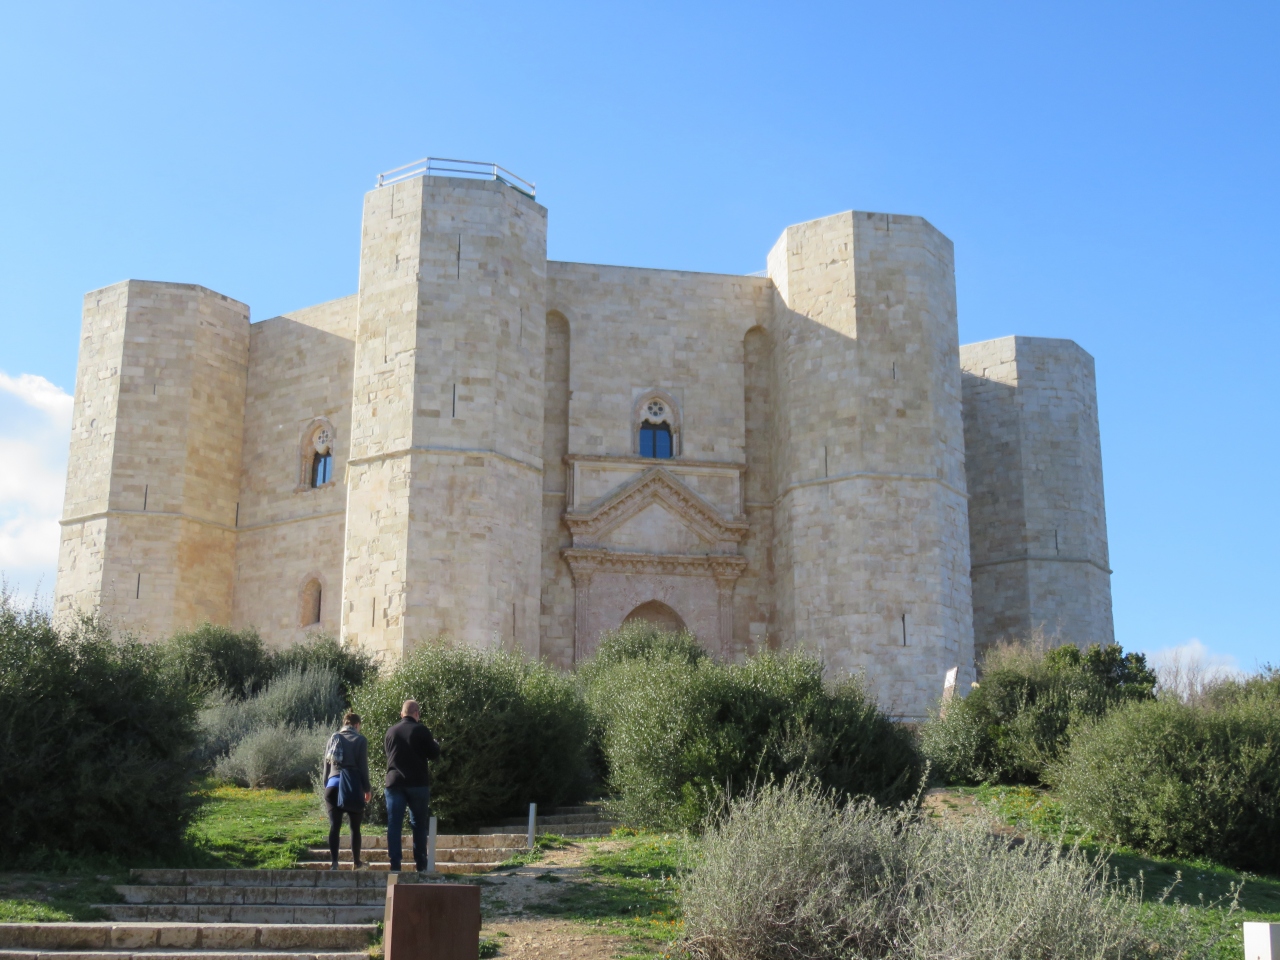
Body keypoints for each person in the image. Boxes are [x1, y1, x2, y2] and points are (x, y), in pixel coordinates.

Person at [384, 699, 441, 872]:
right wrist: (436, 744)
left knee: (394, 824)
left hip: (395, 783)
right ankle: (421, 864)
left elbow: (388, 755)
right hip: (417, 783)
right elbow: (433, 754)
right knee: (418, 824)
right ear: (417, 714)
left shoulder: (391, 732)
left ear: (402, 714)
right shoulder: (421, 730)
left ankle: (395, 864)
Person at [322, 712, 371, 870]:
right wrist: (367, 789)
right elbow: (363, 767)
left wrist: (327, 785)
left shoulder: (333, 738)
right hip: (352, 786)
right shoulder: (360, 740)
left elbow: (326, 767)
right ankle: (356, 863)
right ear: (357, 725)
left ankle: (334, 863)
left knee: (334, 826)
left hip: (333, 786)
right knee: (354, 827)